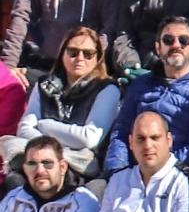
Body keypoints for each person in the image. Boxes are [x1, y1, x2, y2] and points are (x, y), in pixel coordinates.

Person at [103, 15, 189, 172]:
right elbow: (121, 134)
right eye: (168, 40)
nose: (176, 45)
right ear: (158, 48)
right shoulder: (140, 84)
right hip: (128, 173)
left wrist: (152, 173)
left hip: (174, 177)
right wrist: (117, 172)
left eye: (184, 40)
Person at [0, 24, 117, 178]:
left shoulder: (107, 89)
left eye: (88, 54)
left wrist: (45, 125)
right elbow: (24, 129)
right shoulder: (44, 84)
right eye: (73, 52)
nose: (80, 59)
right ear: (63, 53)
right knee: (13, 177)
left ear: (97, 58)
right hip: (40, 163)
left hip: (78, 168)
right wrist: (53, 151)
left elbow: (89, 139)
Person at [86, 110, 189, 212]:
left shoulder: (186, 182)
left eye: (155, 138)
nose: (148, 146)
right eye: (141, 139)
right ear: (131, 143)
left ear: (169, 140)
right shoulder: (118, 180)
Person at [0, 133, 98, 212]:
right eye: (31, 164)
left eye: (47, 163)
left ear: (62, 167)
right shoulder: (13, 197)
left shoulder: (82, 201)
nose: (39, 170)